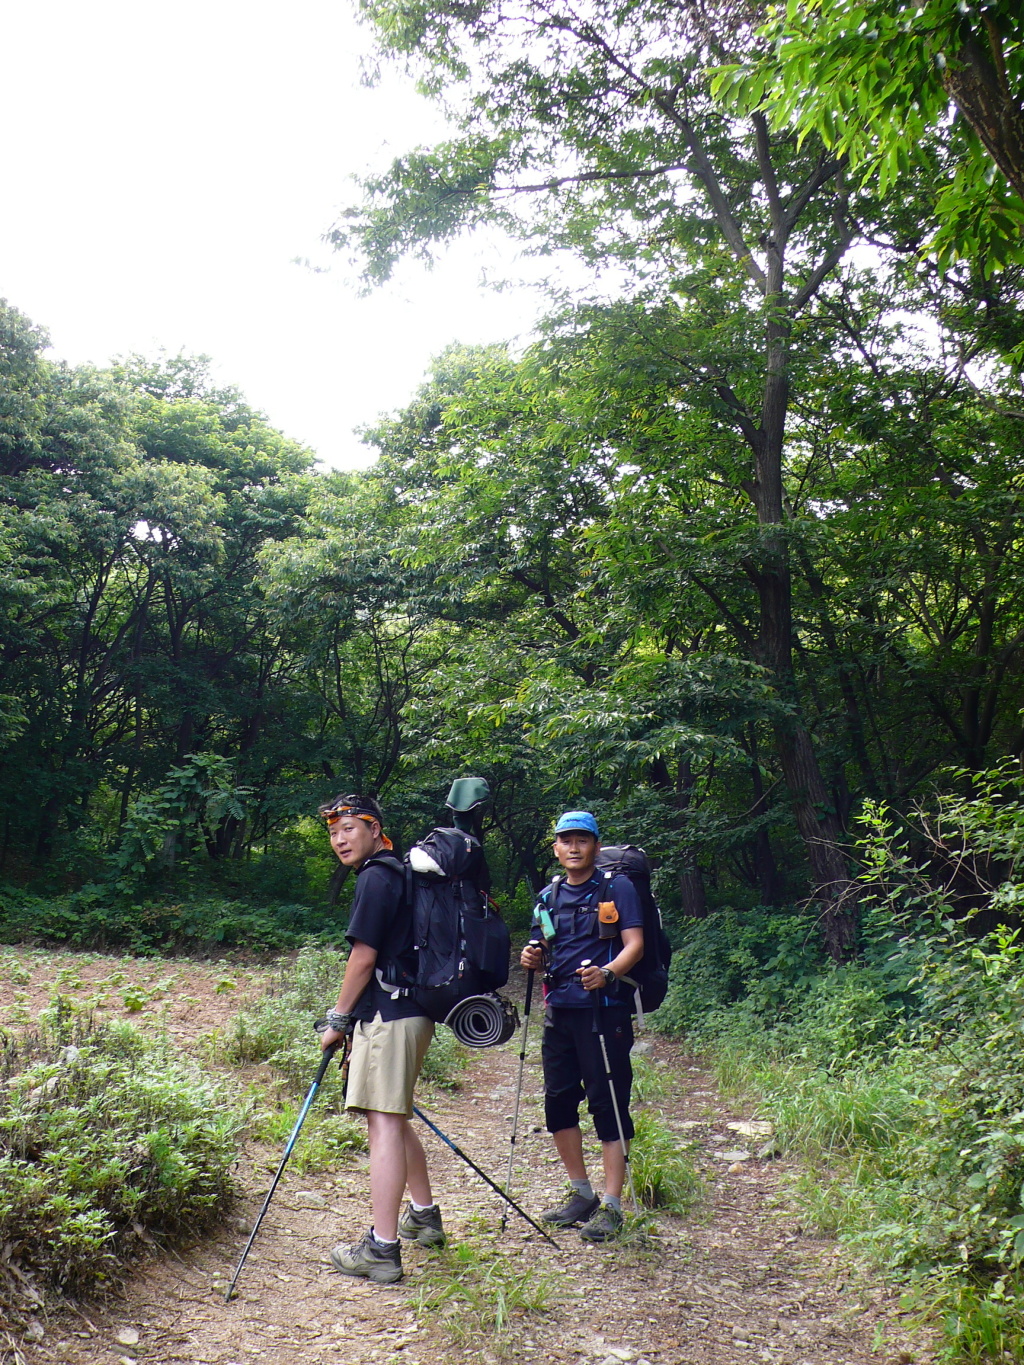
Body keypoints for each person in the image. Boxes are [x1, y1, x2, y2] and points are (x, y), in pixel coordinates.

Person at [318, 793, 444, 1284]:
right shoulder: (402, 874)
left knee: (383, 1124)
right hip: (412, 1012)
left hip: (389, 1017)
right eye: (333, 832)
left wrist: (337, 1020)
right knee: (394, 1114)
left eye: (349, 827)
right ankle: (424, 1217)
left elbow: (363, 958)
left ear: (375, 829)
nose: (340, 839)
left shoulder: (376, 877)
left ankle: (382, 1249)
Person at [520, 811, 644, 1243]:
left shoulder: (618, 887)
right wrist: (531, 955)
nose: (574, 848)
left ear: (595, 845)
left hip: (604, 1010)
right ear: (555, 847)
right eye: (566, 840)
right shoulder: (547, 895)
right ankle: (581, 1194)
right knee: (558, 1103)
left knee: (608, 1103)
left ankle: (612, 1204)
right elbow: (541, 942)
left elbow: (635, 944)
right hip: (560, 1011)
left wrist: (608, 973)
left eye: (582, 840)